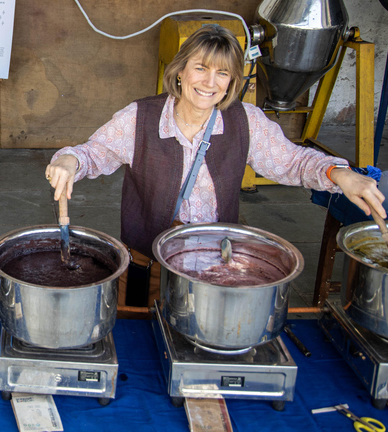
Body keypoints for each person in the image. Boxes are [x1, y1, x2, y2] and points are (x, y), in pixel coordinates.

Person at [45, 24, 385, 307]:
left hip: (217, 267)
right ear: (179, 71)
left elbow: (294, 161)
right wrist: (68, 161)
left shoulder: (245, 122)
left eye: (222, 73)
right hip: (147, 265)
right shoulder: (140, 118)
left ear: (232, 82)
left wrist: (339, 174)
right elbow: (93, 153)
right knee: (140, 347)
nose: (210, 82)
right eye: (201, 68)